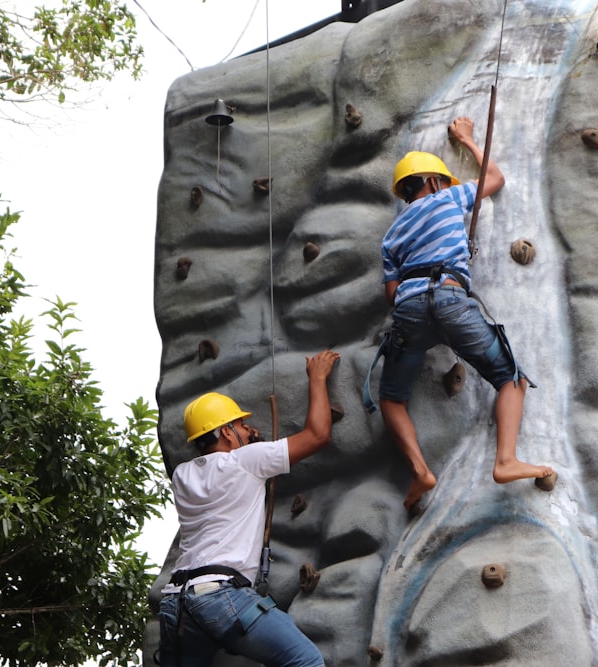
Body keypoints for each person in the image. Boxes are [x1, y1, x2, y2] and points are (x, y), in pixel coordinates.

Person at [378, 116, 555, 511]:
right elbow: (495, 178)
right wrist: (469, 140)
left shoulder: (391, 236)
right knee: (510, 378)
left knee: (391, 399)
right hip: (449, 296)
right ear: (436, 181)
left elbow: (391, 295)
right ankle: (506, 460)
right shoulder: (447, 199)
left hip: (409, 307)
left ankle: (421, 471)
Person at [157, 350, 340, 667]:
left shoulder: (182, 476)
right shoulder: (246, 461)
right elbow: (317, 435)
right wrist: (318, 378)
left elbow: (223, 477)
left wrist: (248, 442)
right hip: (220, 596)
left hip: (176, 603)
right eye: (241, 425)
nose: (249, 430)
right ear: (226, 432)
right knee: (306, 660)